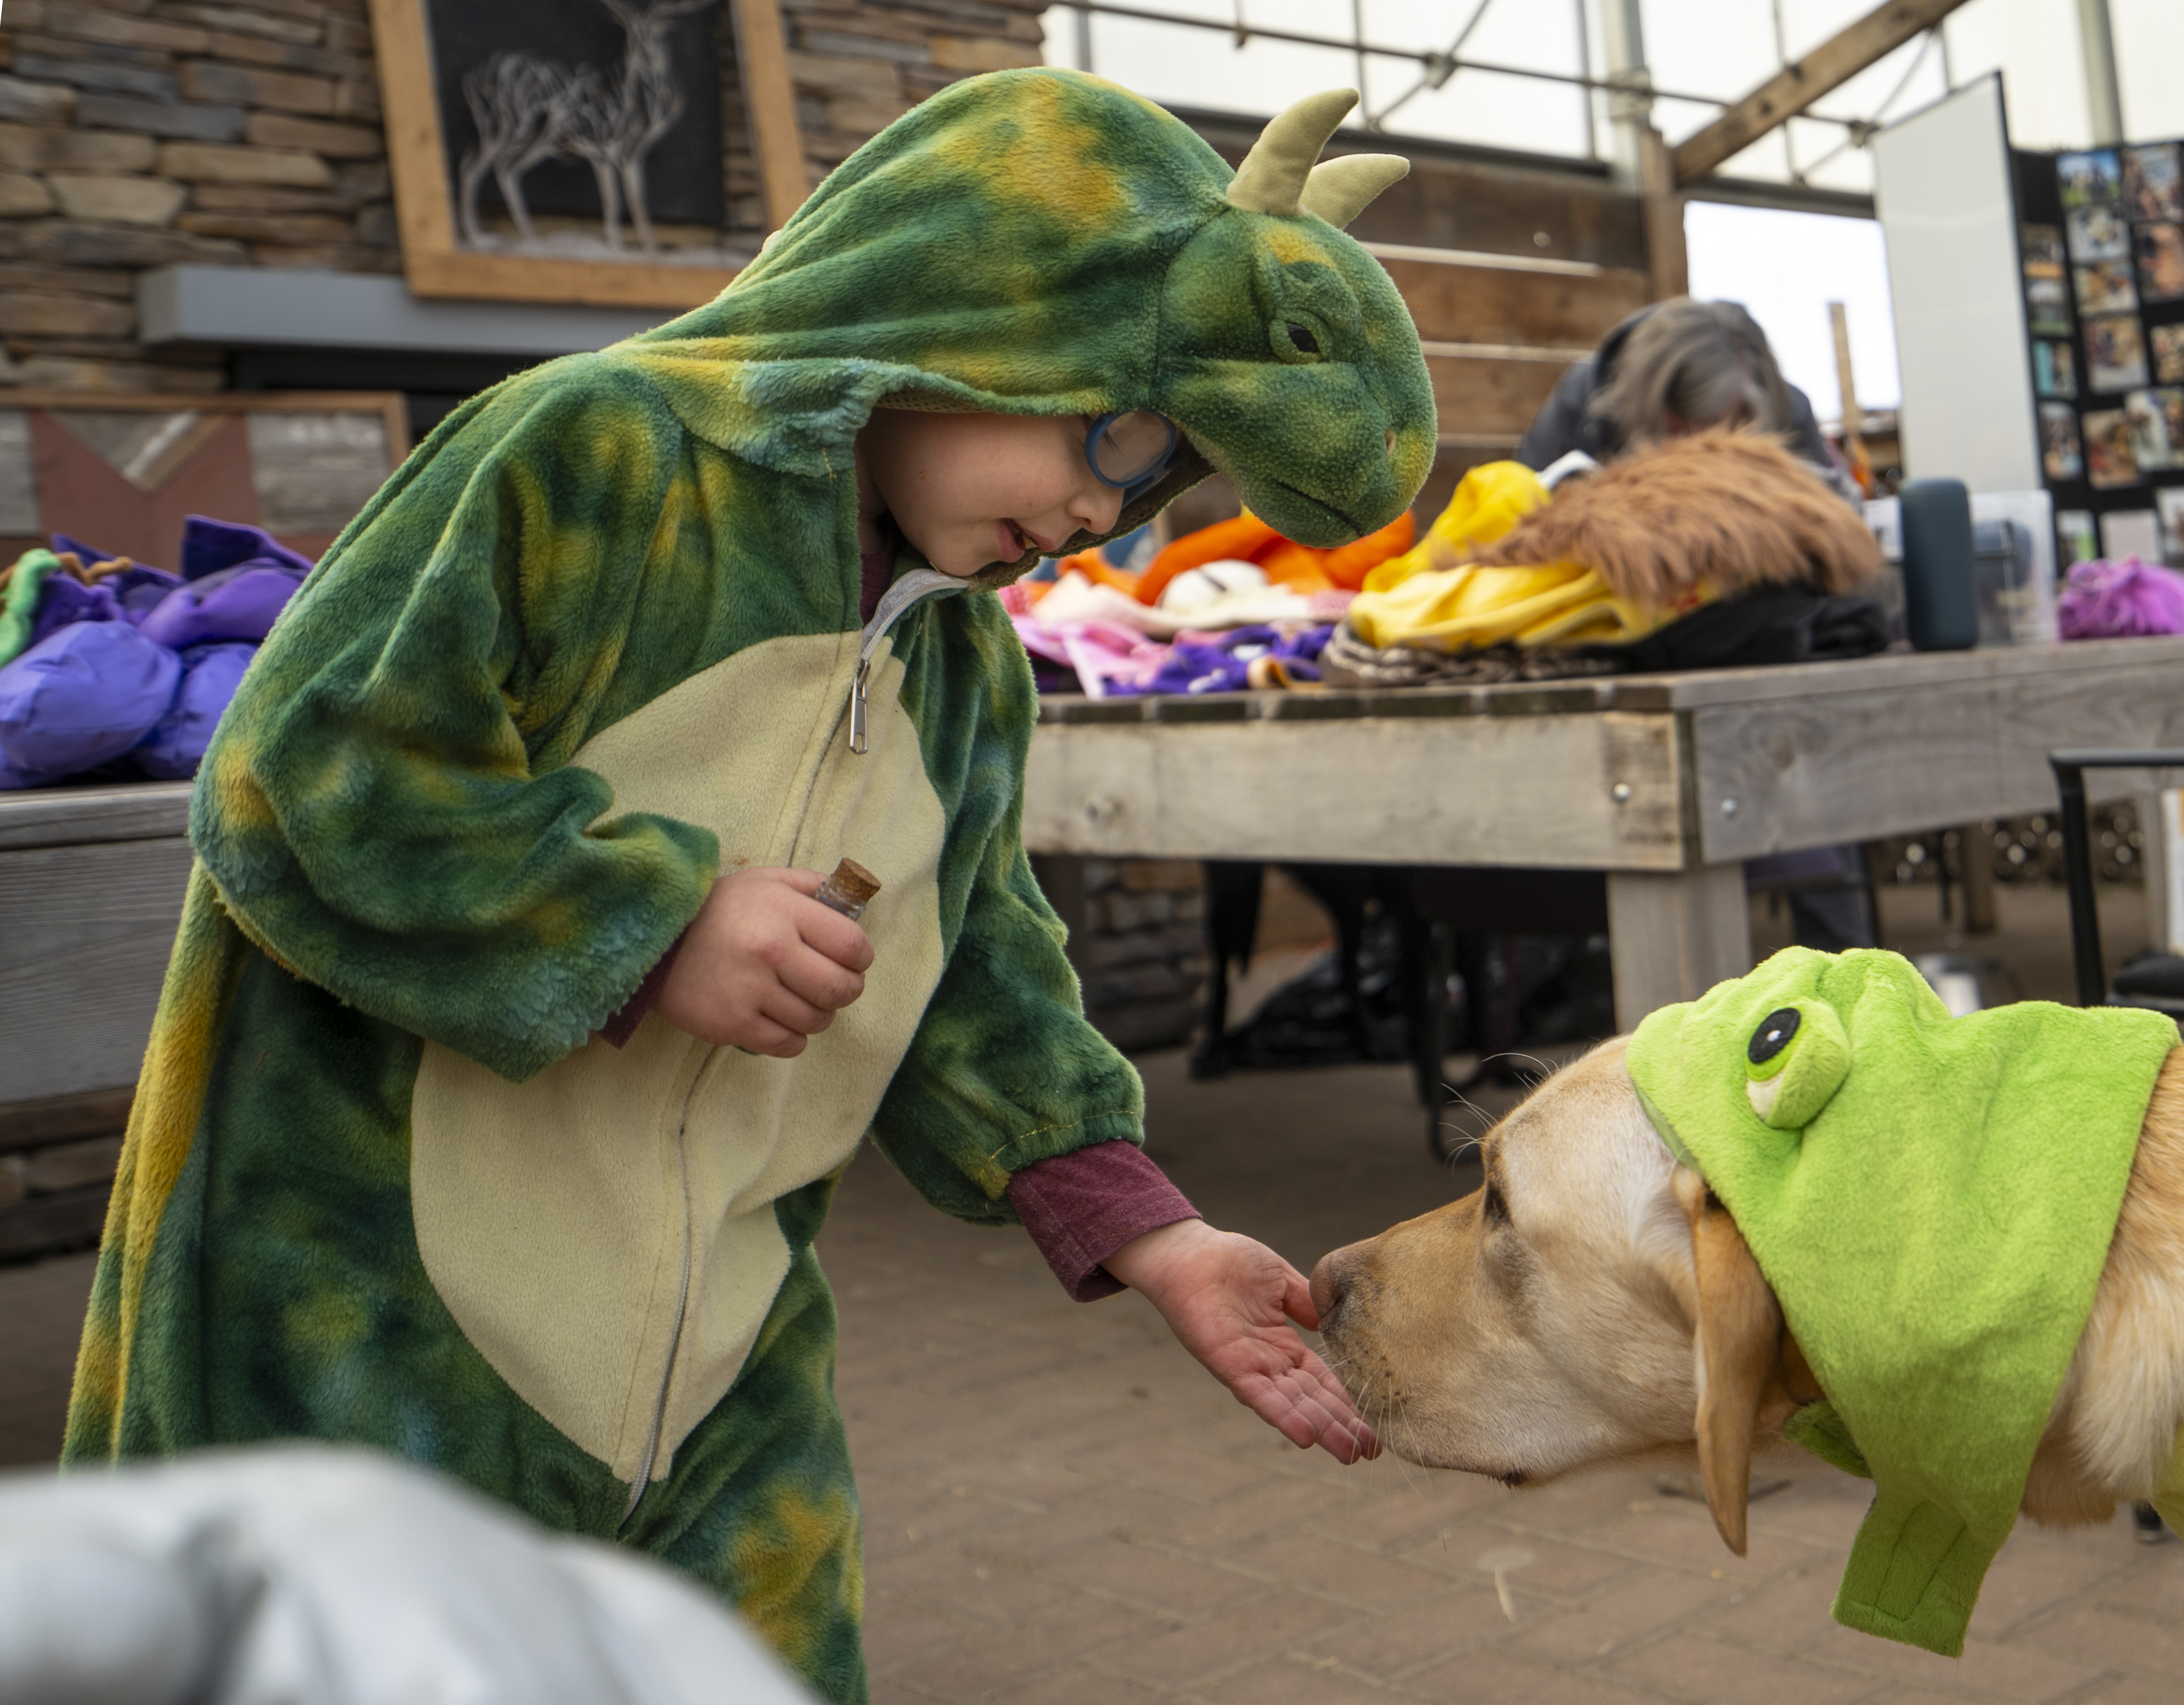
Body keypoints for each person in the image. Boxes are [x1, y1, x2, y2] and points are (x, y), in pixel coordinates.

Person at [64, 71, 1435, 1705]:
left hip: (720, 1374)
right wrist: (644, 926)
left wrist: (1151, 1233)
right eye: (1119, 433)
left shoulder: (967, 670)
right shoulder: (587, 458)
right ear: (982, 295)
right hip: (362, 1338)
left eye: (1154, 492)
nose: (1099, 516)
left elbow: (975, 968)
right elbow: (306, 776)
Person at [1515, 297, 1878, 950]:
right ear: (1647, 402)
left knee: (1815, 791)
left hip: (1764, 652)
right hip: (1621, 659)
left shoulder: (1785, 408)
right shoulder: (1583, 403)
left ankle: (1850, 983)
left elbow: (1838, 549)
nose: (1708, 444)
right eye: (1687, 425)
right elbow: (1521, 537)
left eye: (1735, 423)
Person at [1513, 299, 1850, 494]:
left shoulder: (1789, 409)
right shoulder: (1586, 395)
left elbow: (1835, 522)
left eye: (1712, 431)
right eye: (1676, 433)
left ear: (1749, 411)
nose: (1694, 452)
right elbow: (1519, 505)